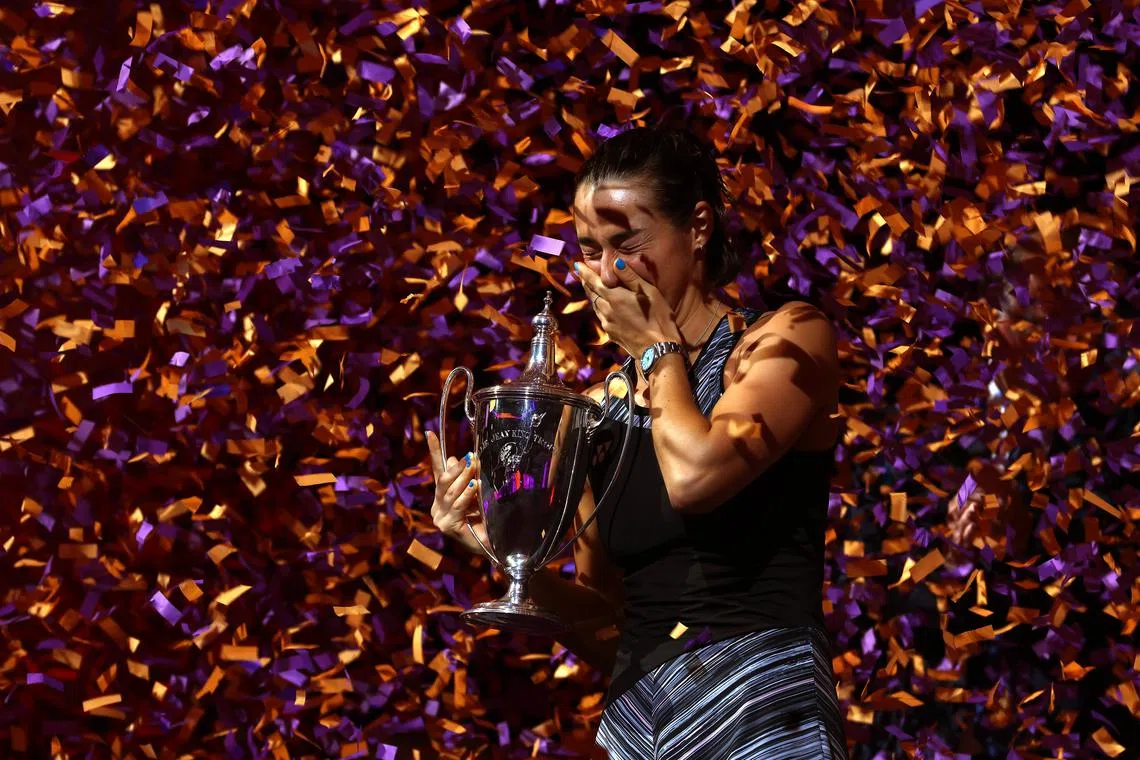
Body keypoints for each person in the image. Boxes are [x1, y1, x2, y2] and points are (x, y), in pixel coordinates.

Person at [426, 125, 848, 758]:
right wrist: (497, 549)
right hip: (641, 729)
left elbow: (697, 476)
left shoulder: (784, 339)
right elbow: (608, 625)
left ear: (698, 227)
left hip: (763, 715)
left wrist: (655, 350)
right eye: (590, 249)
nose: (606, 272)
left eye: (627, 243)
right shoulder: (597, 413)